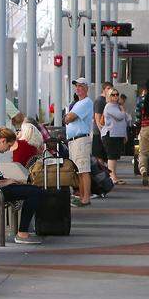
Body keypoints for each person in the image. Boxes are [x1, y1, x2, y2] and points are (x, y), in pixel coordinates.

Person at [0, 127, 45, 244]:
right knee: (34, 192)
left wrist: (9, 180)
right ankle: (22, 233)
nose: (9, 149)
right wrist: (6, 182)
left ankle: (23, 231)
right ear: (3, 141)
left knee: (33, 190)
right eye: (9, 146)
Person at [63, 77, 94, 207]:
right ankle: (82, 197)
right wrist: (68, 118)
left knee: (83, 170)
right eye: (77, 86)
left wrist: (68, 117)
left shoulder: (86, 102)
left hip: (81, 139)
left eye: (81, 86)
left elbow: (69, 117)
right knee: (79, 170)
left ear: (87, 88)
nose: (78, 88)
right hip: (75, 140)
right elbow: (67, 118)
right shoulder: (77, 103)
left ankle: (86, 198)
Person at [100, 86, 130, 184]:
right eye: (113, 94)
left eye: (117, 94)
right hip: (111, 134)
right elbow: (121, 116)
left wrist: (125, 135)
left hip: (118, 135)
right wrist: (122, 110)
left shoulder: (117, 106)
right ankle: (112, 177)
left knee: (115, 156)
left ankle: (113, 175)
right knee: (112, 156)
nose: (116, 96)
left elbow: (128, 119)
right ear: (109, 96)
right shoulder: (109, 106)